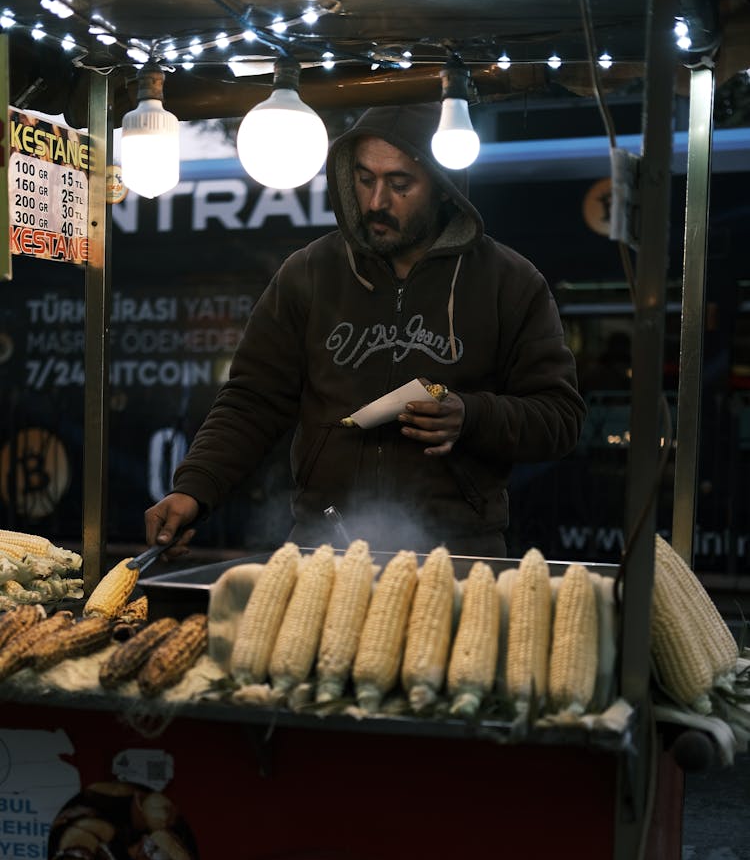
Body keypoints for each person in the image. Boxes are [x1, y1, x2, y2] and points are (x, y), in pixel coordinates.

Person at [145, 102, 585, 559]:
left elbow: (560, 417)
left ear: (442, 187)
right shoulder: (309, 273)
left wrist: (472, 416)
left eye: (400, 184)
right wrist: (194, 488)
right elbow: (252, 400)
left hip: (457, 553)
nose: (377, 202)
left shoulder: (509, 281)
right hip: (323, 546)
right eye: (364, 178)